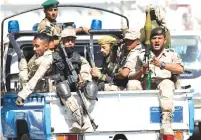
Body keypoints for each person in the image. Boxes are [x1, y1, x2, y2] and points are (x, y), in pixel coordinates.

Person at [130, 27, 184, 139]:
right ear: (150, 40)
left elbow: (180, 69)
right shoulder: (141, 55)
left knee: (167, 84)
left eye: (160, 38)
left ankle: (166, 123)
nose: (157, 41)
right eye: (154, 38)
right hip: (145, 85)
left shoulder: (171, 54)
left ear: (164, 40)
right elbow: (131, 76)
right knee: (132, 84)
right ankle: (134, 119)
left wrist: (162, 64)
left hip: (163, 84)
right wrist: (141, 71)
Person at [52, 28, 98, 132]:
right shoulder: (53, 57)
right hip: (61, 90)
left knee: (92, 86)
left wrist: (83, 79)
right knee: (62, 87)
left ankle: (78, 122)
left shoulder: (78, 57)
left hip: (77, 87)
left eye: (72, 40)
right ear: (62, 41)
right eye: (67, 40)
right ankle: (82, 121)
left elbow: (85, 71)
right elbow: (44, 74)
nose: (70, 43)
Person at [16, 33, 54, 105]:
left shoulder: (47, 59)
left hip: (41, 95)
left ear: (46, 46)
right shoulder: (37, 55)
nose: (34, 49)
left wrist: (21, 95)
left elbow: (37, 77)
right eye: (34, 46)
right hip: (32, 92)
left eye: (37, 46)